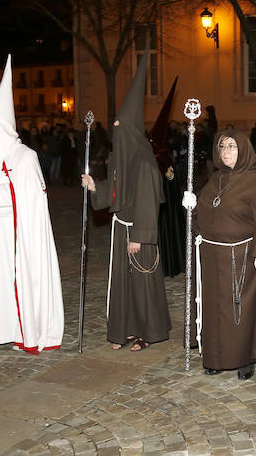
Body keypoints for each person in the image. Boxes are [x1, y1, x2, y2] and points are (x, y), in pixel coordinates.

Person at [0, 56, 64, 353]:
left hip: (17, 240)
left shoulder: (24, 157)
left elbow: (31, 201)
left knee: (15, 285)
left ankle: (23, 330)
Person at [183, 130, 256, 379]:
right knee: (214, 311)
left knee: (241, 312)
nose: (226, 152)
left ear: (243, 149)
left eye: (232, 146)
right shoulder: (216, 179)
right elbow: (207, 212)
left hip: (243, 258)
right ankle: (215, 357)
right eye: (222, 146)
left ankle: (245, 359)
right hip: (212, 258)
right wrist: (192, 208)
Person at [82, 60, 170, 351]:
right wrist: (97, 186)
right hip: (121, 229)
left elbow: (147, 202)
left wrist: (139, 236)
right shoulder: (120, 159)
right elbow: (116, 189)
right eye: (114, 128)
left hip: (137, 232)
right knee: (123, 282)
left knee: (142, 284)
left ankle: (148, 332)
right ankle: (127, 329)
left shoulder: (144, 162)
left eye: (121, 128)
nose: (116, 134)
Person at [148, 76, 185, 277]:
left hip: (164, 206)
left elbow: (171, 179)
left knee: (167, 231)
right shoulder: (161, 155)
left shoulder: (161, 156)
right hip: (162, 207)